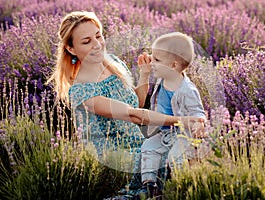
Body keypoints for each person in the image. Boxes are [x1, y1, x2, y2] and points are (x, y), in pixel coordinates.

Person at [47, 11, 204, 198]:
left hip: (138, 144)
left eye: (99, 36)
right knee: (175, 156)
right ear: (71, 49)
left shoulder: (114, 63)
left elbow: (134, 103)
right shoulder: (82, 91)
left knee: (189, 146)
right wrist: (183, 120)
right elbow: (133, 115)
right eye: (86, 41)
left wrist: (144, 75)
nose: (97, 44)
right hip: (114, 157)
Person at [137, 32, 206, 198]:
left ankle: (181, 186)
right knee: (148, 147)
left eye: (157, 60)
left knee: (177, 157)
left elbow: (198, 113)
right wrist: (145, 72)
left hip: (183, 135)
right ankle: (150, 185)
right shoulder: (163, 79)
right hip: (165, 133)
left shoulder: (187, 90)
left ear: (173, 66)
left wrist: (198, 126)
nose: (152, 62)